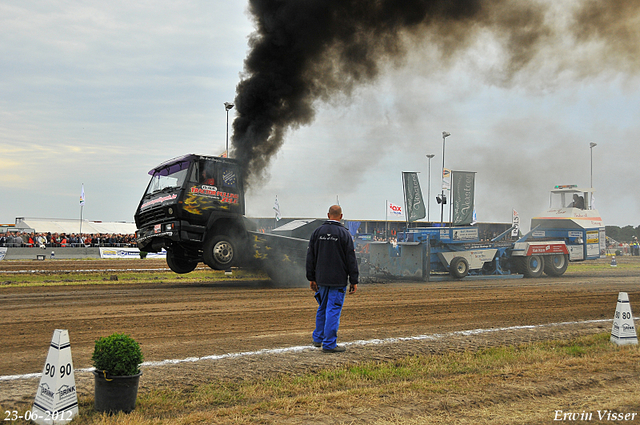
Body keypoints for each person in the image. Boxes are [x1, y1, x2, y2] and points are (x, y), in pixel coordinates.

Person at [306, 205, 359, 353]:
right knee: (333, 310)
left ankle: (318, 338)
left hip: (321, 278)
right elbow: (351, 259)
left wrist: (311, 277)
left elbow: (310, 257)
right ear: (341, 216)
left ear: (328, 215)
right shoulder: (344, 234)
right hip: (338, 279)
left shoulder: (317, 232)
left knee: (322, 308)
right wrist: (354, 280)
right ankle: (329, 344)